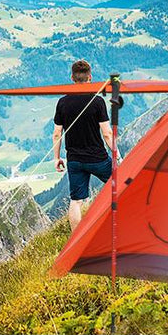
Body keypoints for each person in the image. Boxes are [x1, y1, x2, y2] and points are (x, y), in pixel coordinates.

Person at [53, 59, 113, 230]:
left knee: (76, 201)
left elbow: (57, 133)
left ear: (72, 78)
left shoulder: (62, 102)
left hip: (74, 160)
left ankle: (76, 242)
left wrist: (57, 158)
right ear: (90, 78)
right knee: (120, 185)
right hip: (98, 159)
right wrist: (118, 154)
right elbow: (107, 133)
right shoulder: (97, 102)